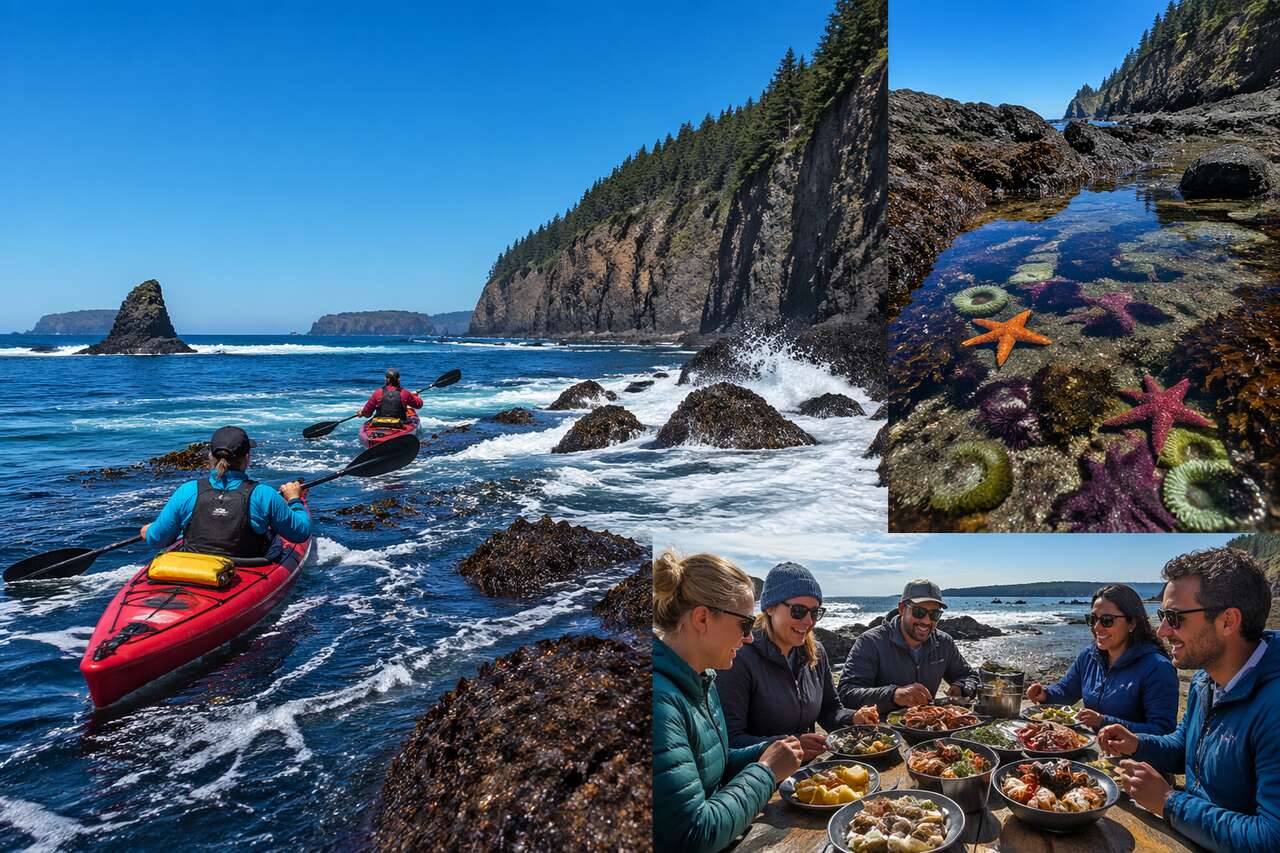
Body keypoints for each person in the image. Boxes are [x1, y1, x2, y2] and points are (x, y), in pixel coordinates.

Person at [1098, 547, 1280, 853]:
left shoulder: (1273, 707)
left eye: (1174, 617)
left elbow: (1271, 839)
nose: (1162, 630)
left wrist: (1169, 802)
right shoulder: (1205, 678)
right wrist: (1138, 744)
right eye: (1162, 616)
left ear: (1228, 621)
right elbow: (1186, 747)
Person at [653, 551, 805, 853]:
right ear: (702, 618)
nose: (750, 638)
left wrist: (767, 750)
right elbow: (692, 835)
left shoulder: (703, 679)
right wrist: (766, 771)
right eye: (746, 625)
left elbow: (713, 767)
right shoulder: (660, 703)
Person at [716, 562, 856, 759]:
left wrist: (853, 718)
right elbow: (729, 740)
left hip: (808, 775)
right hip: (761, 779)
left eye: (815, 612)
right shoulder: (738, 658)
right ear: (770, 608)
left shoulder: (816, 652)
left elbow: (829, 709)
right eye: (798, 611)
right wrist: (792, 745)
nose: (809, 622)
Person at [1025, 583, 1178, 733]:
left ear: (1131, 623)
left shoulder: (1158, 668)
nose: (1096, 627)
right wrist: (1045, 694)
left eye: (1106, 620)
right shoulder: (1089, 656)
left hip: (1131, 758)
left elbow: (1162, 731)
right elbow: (1066, 691)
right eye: (1093, 619)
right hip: (1093, 753)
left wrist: (1103, 722)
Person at [140, 426, 310, 558]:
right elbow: (300, 533)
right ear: (247, 458)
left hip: (195, 567)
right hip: (248, 567)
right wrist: (295, 500)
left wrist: (149, 531)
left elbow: (157, 540)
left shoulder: (187, 491)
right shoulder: (263, 494)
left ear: (210, 456)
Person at [837, 579, 978, 714]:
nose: (926, 621)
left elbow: (968, 676)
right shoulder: (871, 642)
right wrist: (893, 695)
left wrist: (962, 687)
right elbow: (846, 693)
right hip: (883, 732)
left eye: (934, 614)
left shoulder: (944, 643)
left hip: (929, 726)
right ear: (902, 609)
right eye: (919, 612)